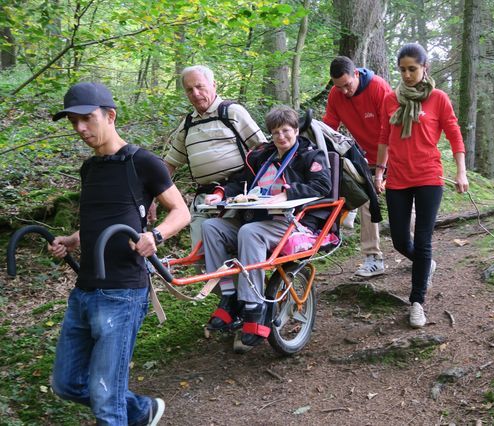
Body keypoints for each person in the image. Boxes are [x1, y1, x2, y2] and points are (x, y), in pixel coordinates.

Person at [48, 82, 190, 425]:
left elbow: (181, 213)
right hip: (84, 291)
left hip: (122, 293)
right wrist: (72, 239)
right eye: (73, 121)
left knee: (106, 400)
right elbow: (103, 220)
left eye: (86, 118)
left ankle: (127, 412)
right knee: (66, 383)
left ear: (109, 116)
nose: (80, 128)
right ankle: (143, 411)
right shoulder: (90, 169)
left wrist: (155, 235)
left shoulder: (143, 162)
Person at [201, 106, 331, 347]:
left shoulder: (310, 156)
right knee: (211, 227)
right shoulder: (262, 155)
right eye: (275, 132)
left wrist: (287, 193)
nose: (281, 137)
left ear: (296, 130)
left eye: (286, 131)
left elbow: (323, 186)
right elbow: (239, 180)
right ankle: (229, 296)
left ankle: (253, 307)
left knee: (249, 233)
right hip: (253, 218)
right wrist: (219, 193)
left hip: (291, 223)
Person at [376, 43, 469, 328]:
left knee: (424, 240)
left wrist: (461, 172)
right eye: (402, 69)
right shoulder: (391, 100)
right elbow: (383, 137)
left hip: (429, 176)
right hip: (398, 179)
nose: (407, 75)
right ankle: (425, 264)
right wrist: (379, 172)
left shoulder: (438, 98)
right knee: (400, 240)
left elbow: (454, 135)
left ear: (424, 67)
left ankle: (417, 302)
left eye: (412, 69)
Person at [162, 65, 267, 251]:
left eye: (200, 86)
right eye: (189, 89)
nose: (195, 93)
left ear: (213, 85)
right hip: (203, 199)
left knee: (231, 255)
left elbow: (262, 150)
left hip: (235, 196)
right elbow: (170, 163)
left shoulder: (232, 112)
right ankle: (213, 280)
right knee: (200, 255)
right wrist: (153, 194)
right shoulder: (188, 124)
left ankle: (240, 281)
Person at [323, 56, 392, 278]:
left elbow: (389, 130)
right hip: (365, 159)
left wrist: (382, 170)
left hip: (394, 154)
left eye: (347, 85)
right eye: (338, 86)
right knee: (366, 201)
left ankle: (416, 251)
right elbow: (329, 128)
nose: (343, 91)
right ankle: (373, 257)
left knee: (404, 207)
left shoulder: (378, 87)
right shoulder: (336, 95)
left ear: (356, 74)